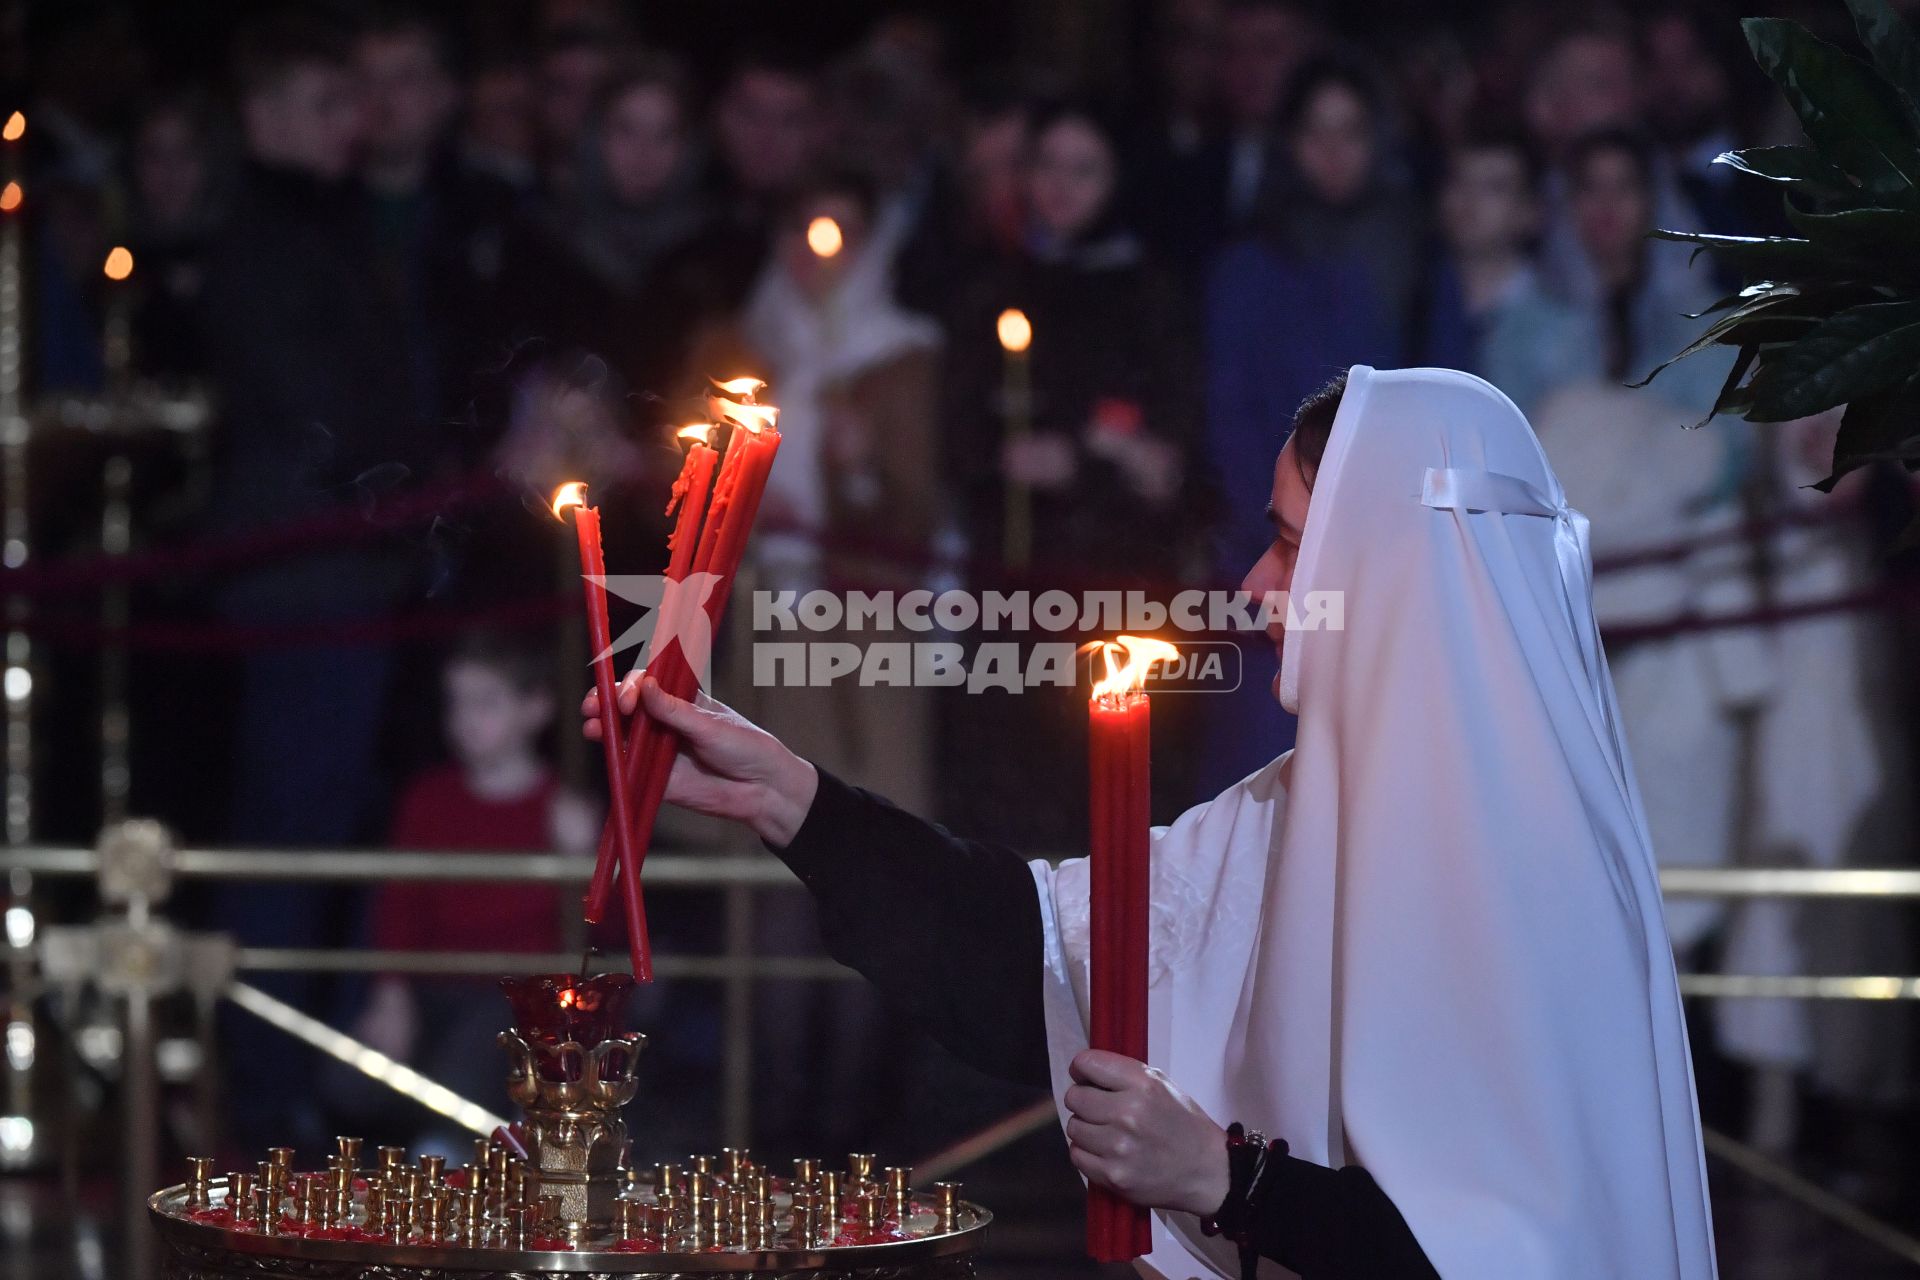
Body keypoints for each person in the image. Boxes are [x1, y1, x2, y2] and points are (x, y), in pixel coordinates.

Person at [585, 366, 1717, 1279]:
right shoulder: (1288, 807)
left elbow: (1517, 1252)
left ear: (1389, 564)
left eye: (1290, 544)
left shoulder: (1532, 869)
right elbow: (1033, 954)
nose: (1260, 586)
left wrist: (1230, 1180)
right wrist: (792, 797)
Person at [199, 8, 421, 1151]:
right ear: (269, 114)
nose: (355, 125)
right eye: (330, 104)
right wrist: (412, 475)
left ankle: (294, 1074)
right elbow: (317, 399)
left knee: (320, 821)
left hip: (338, 564)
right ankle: (268, 1085)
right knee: (292, 830)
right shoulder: (264, 237)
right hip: (304, 573)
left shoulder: (313, 226)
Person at [343, 632, 595, 1153]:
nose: (465, 719)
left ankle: (441, 1158)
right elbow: (399, 906)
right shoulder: (427, 800)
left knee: (479, 1047)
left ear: (535, 708)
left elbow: (601, 937)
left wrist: (581, 862)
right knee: (349, 1079)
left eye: (486, 702)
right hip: (434, 988)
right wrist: (392, 994)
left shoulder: (566, 813)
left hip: (517, 1003)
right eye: (456, 701)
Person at [1430, 129, 1597, 415]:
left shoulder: (1562, 331)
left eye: (1494, 188)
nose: (1469, 199)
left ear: (1531, 211)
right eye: (1459, 181)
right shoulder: (1416, 305)